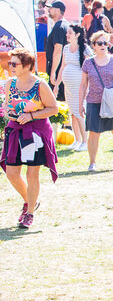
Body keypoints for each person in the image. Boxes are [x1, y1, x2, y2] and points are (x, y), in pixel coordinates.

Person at [1, 48, 59, 229]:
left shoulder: (40, 84)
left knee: (32, 173)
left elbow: (54, 109)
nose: (11, 66)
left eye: (14, 64)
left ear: (27, 66)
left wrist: (32, 116)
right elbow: (7, 105)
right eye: (10, 63)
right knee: (11, 173)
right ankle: (30, 201)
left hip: (36, 132)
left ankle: (30, 213)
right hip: (15, 130)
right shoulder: (10, 83)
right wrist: (8, 112)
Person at [78, 31, 113, 172]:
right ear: (94, 46)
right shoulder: (88, 63)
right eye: (99, 43)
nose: (103, 45)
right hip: (94, 101)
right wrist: (80, 104)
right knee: (93, 133)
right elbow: (83, 84)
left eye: (105, 43)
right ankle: (92, 163)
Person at [53, 24, 91, 151]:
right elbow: (62, 67)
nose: (67, 35)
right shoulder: (66, 48)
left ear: (77, 34)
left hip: (80, 86)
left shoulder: (85, 49)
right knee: (72, 113)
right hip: (68, 87)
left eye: (70, 33)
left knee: (79, 113)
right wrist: (57, 84)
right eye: (67, 33)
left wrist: (88, 87)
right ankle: (77, 139)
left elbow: (90, 69)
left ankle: (85, 141)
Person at [45, 0, 68, 101]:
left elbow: (58, 50)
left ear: (58, 10)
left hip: (59, 68)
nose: (48, 10)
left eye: (51, 8)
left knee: (56, 100)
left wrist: (53, 72)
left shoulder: (59, 27)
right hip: (63, 67)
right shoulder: (65, 25)